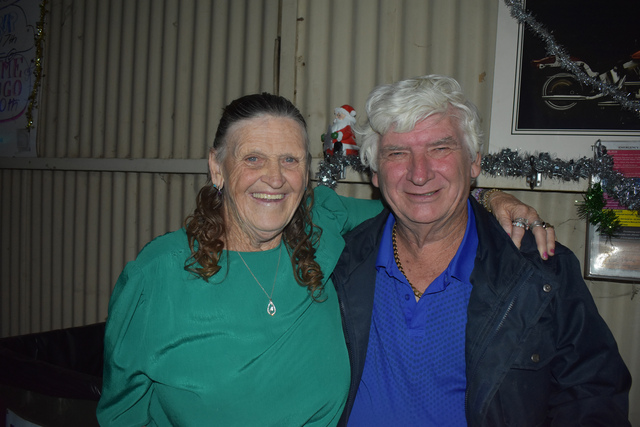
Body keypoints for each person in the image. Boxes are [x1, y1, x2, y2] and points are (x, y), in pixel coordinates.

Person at [97, 92, 554, 426]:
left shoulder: (322, 226)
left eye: (290, 160)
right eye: (253, 158)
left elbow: (418, 203)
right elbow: (121, 414)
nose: (275, 179)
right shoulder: (158, 277)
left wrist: (491, 197)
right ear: (217, 167)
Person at [332, 75, 631, 426]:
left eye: (440, 149)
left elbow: (592, 396)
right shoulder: (338, 261)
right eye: (397, 153)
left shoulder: (539, 271)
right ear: (375, 173)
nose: (419, 174)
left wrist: (489, 196)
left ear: (474, 162)